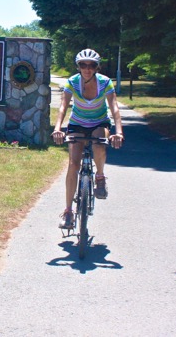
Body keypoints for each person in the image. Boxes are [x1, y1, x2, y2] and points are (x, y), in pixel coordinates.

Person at [52, 48, 124, 229]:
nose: (87, 68)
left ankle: (99, 176)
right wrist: (57, 128)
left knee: (100, 144)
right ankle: (68, 211)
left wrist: (119, 132)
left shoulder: (105, 83)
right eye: (83, 65)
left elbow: (114, 108)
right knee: (73, 164)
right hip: (77, 123)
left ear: (96, 67)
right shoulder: (72, 83)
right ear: (78, 67)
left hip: (99, 122)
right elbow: (63, 107)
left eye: (91, 65)